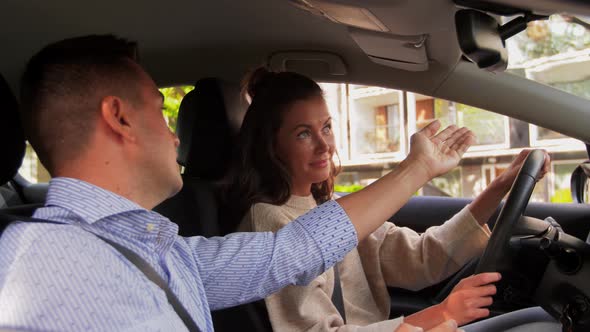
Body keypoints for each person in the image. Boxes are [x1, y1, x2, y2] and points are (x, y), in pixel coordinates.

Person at [0, 35, 474, 331]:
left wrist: (418, 169)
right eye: (157, 105)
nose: (173, 134)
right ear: (120, 118)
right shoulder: (31, 267)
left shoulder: (166, 251)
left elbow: (290, 253)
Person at [226, 68, 553, 331]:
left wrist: (499, 187)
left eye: (326, 127)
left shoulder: (332, 207)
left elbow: (423, 257)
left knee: (540, 320)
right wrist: (440, 313)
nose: (324, 145)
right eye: (303, 133)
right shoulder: (268, 222)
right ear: (272, 145)